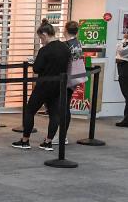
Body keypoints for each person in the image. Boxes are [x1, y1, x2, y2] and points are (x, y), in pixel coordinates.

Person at [12, 20, 72, 150]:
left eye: (40, 38)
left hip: (44, 85)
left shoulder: (45, 50)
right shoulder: (65, 48)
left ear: (44, 34)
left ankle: (25, 140)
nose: (41, 41)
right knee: (54, 114)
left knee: (30, 111)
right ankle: (48, 141)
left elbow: (37, 68)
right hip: (58, 85)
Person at [43, 20, 86, 150]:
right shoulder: (78, 44)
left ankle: (59, 135)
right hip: (73, 78)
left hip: (63, 79)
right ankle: (62, 134)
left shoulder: (65, 45)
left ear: (65, 30)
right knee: (65, 106)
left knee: (60, 108)